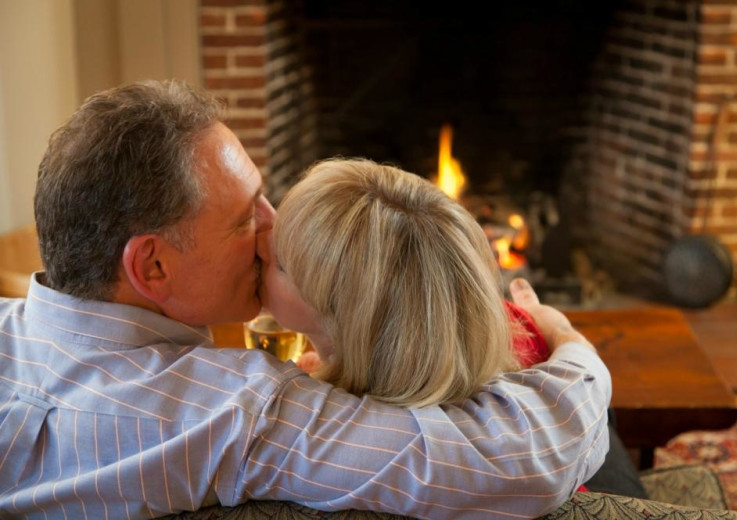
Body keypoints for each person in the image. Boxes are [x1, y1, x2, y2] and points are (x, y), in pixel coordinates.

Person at [0, 80, 612, 520]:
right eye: (245, 218)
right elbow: (522, 461)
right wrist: (571, 341)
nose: (273, 227)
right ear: (152, 265)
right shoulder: (227, 413)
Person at [263, 157, 550, 408]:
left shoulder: (329, 424)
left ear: (345, 317)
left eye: (282, 265)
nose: (259, 244)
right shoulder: (524, 331)